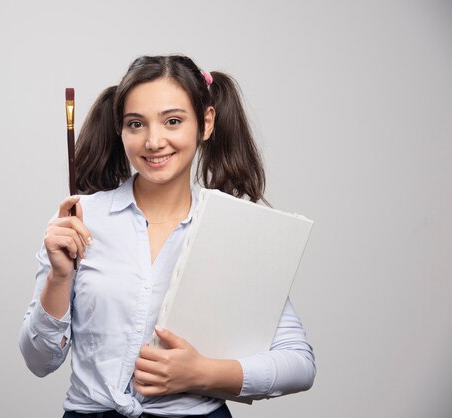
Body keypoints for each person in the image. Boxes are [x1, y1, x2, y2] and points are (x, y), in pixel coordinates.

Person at [19, 55, 315, 418]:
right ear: (120, 130)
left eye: (173, 121)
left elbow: (299, 363)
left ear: (206, 123)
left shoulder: (234, 232)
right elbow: (39, 360)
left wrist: (202, 374)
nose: (153, 141)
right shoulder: (80, 219)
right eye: (136, 124)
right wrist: (59, 277)